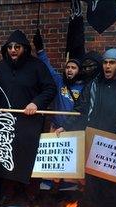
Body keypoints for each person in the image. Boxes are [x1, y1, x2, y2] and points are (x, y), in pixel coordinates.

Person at [0, 29, 56, 205]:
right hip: (6, 121)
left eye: (17, 47)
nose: (13, 50)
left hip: (29, 121)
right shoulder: (1, 66)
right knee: (7, 157)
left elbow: (50, 88)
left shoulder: (37, 66)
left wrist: (36, 103)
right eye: (10, 47)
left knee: (28, 157)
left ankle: (32, 193)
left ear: (25, 48)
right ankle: (8, 192)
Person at [58, 48, 116, 207]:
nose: (107, 66)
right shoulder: (93, 85)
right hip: (96, 144)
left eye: (112, 63)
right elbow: (81, 109)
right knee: (93, 185)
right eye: (105, 62)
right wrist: (67, 126)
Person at [33, 29, 84, 191]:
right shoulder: (58, 80)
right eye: (68, 67)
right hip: (55, 128)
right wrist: (40, 49)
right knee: (52, 162)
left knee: (70, 164)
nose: (69, 70)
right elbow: (46, 65)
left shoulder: (85, 86)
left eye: (74, 68)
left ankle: (67, 189)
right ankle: (49, 188)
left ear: (79, 71)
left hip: (73, 130)